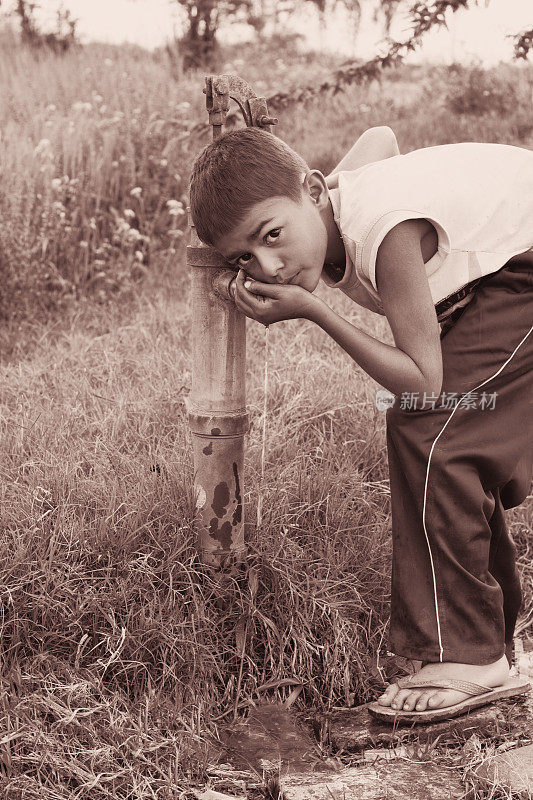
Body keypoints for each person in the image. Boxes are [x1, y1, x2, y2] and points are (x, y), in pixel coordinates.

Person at [188, 125, 533, 723]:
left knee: (432, 429)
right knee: (434, 429)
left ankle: (470, 655)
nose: (269, 265)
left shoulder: (385, 233)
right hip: (503, 272)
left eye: (273, 235)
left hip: (525, 270)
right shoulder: (332, 200)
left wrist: (316, 311)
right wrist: (300, 211)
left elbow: (422, 383)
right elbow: (380, 137)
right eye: (245, 255)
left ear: (312, 188)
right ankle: (492, 639)